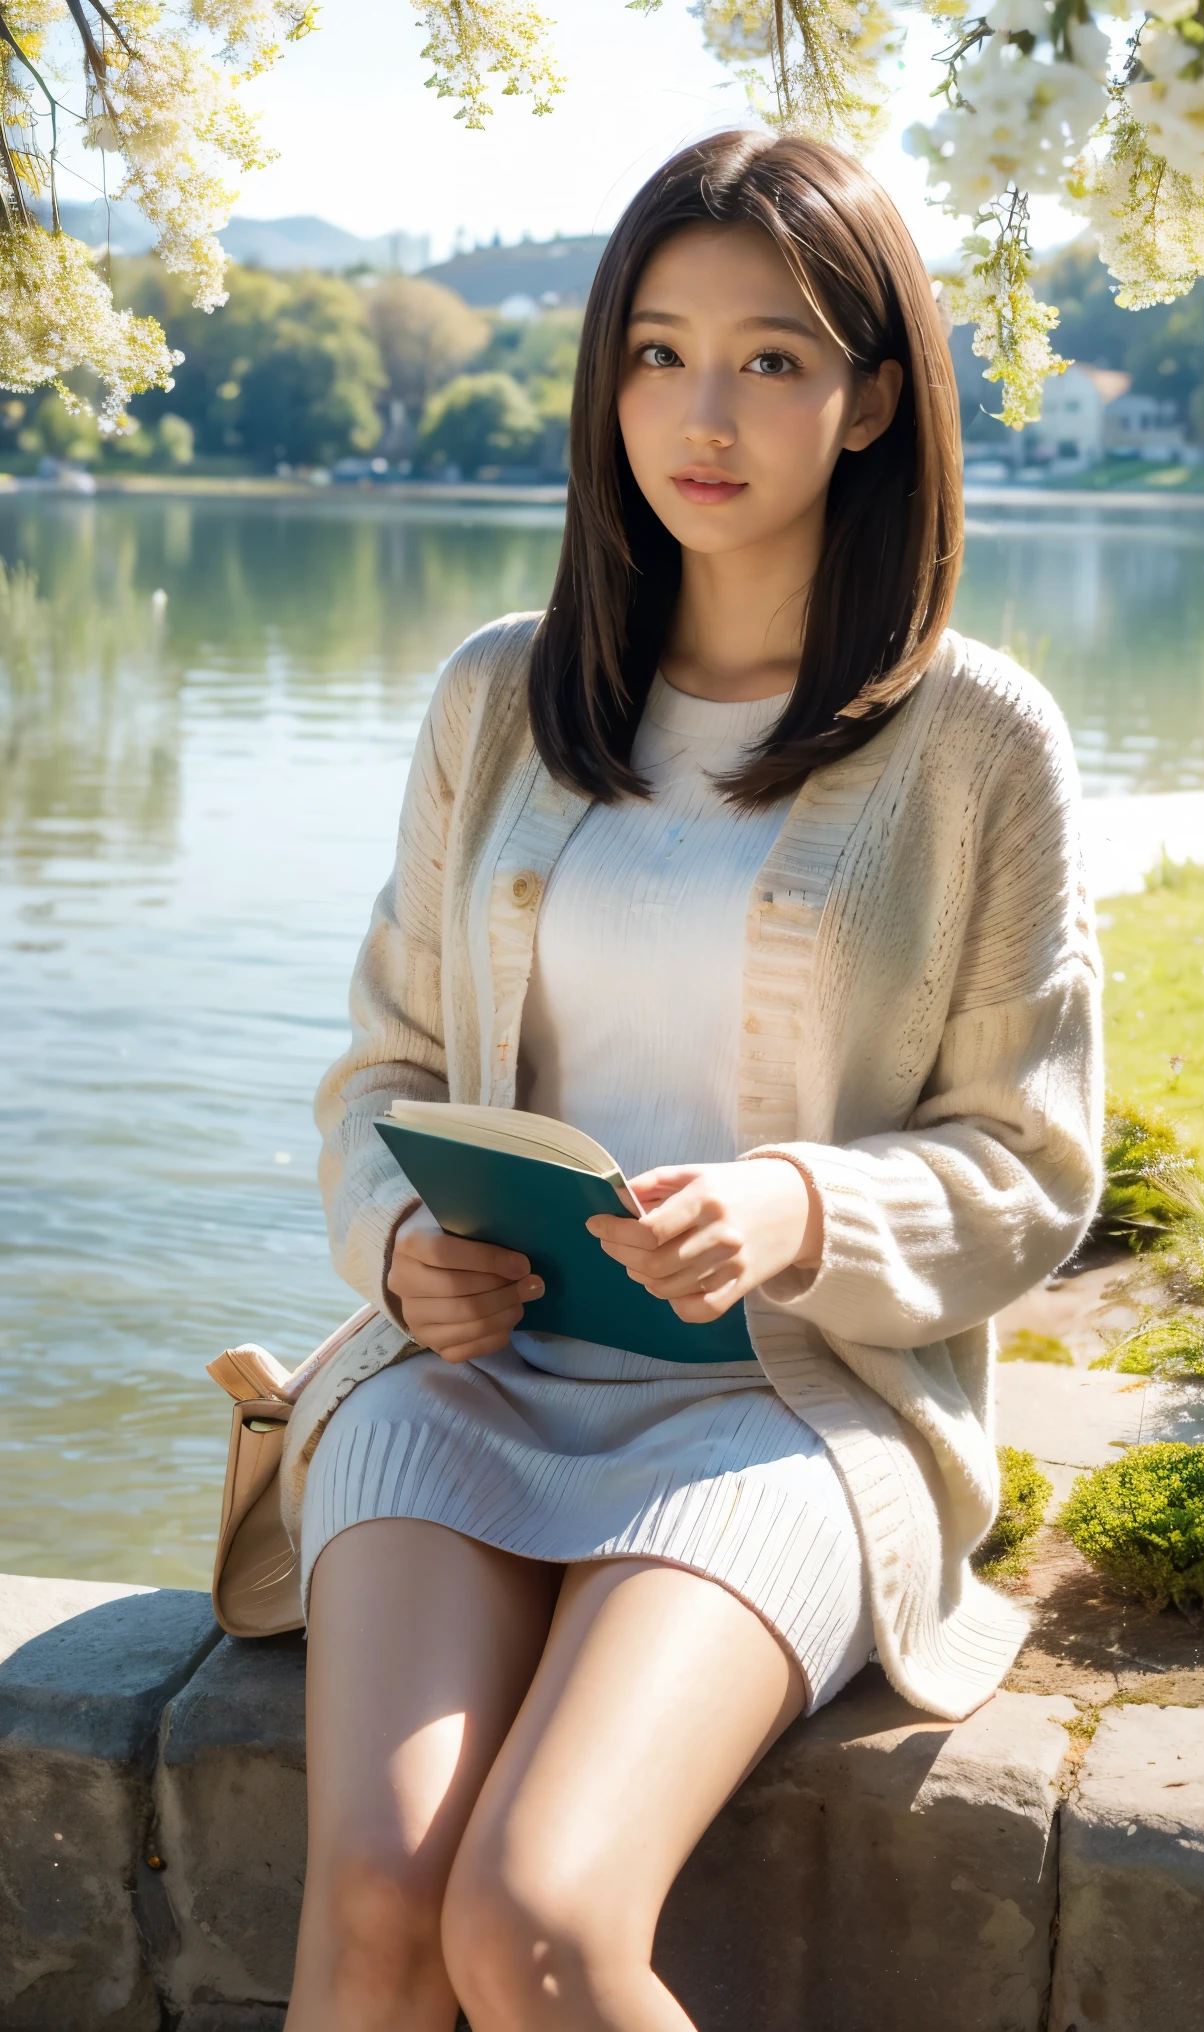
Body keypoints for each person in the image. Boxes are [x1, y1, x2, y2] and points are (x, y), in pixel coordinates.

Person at [280, 128, 1103, 2032]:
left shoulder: (979, 740)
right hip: (471, 1383)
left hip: (780, 1415)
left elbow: (1033, 1159)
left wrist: (806, 1204)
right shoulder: (500, 696)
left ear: (873, 398)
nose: (701, 411)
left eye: (771, 357)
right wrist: (400, 1241)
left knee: (540, 1917)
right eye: (656, 352)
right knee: (380, 1897)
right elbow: (382, 1067)